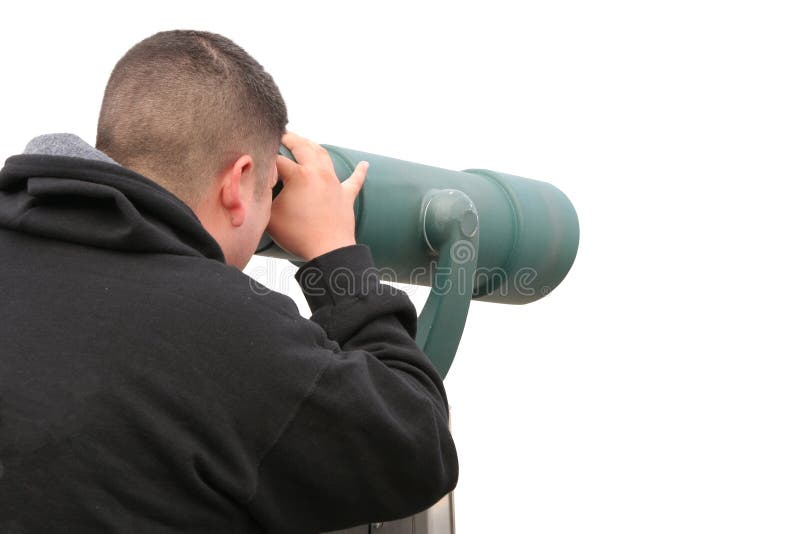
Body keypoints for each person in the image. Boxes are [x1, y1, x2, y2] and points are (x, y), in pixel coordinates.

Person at [0, 30, 458, 533]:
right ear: (238, 183)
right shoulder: (222, 331)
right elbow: (417, 449)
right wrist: (335, 254)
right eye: (268, 191)